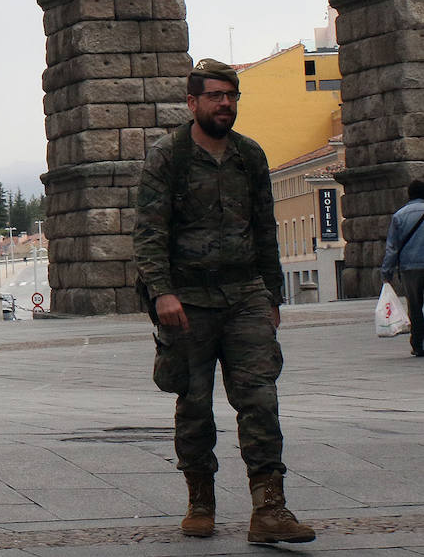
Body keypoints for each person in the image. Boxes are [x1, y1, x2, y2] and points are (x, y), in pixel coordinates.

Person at [133, 59, 314, 544]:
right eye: (215, 96)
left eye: (232, 96)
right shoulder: (167, 156)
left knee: (261, 399)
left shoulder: (249, 155)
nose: (225, 104)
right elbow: (149, 233)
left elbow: (265, 228)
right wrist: (162, 292)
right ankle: (200, 501)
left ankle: (269, 508)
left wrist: (272, 295)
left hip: (245, 294)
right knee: (194, 404)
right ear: (192, 102)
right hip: (187, 298)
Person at [380, 179, 424, 357]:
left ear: (409, 195)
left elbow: (392, 248)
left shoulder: (399, 216)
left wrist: (386, 272)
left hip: (409, 268)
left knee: (414, 306)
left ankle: (418, 343)